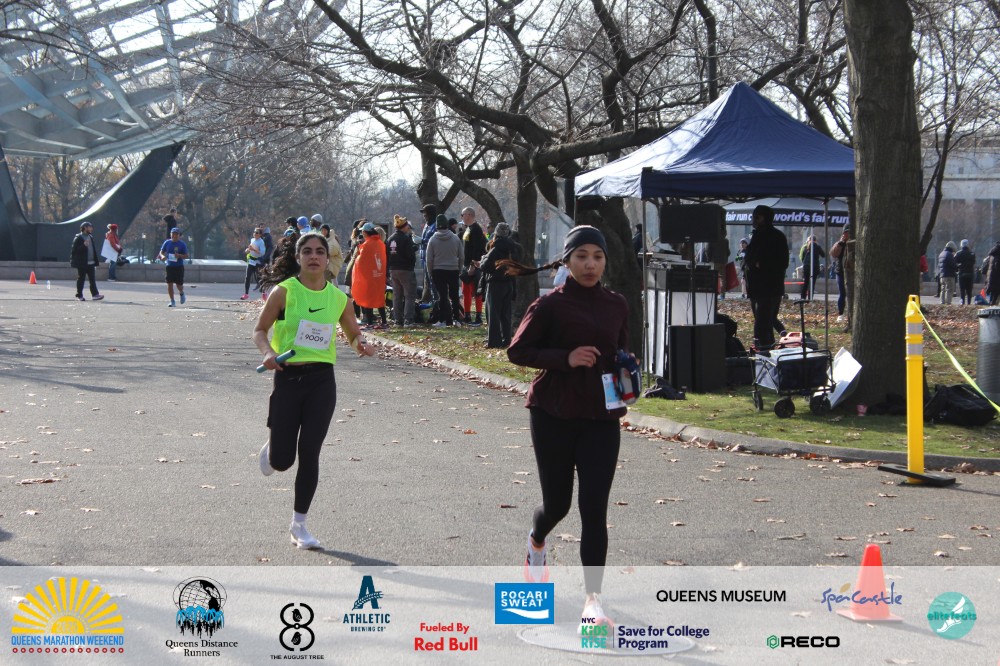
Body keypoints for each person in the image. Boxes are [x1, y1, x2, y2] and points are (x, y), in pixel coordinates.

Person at [506, 225, 631, 631]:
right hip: (553, 414)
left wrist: (626, 371)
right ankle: (536, 540)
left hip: (601, 419)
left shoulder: (617, 304)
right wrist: (566, 357)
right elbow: (517, 351)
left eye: (597, 256)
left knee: (594, 510)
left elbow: (620, 349)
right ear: (567, 260)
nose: (590, 264)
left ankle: (593, 603)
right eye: (582, 256)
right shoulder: (550, 305)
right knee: (557, 505)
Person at [253, 232, 375, 549]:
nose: (314, 257)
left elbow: (353, 332)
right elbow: (260, 330)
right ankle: (274, 445)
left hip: (322, 381)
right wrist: (268, 352)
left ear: (327, 258)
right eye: (307, 251)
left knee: (310, 451)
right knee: (282, 461)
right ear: (298, 257)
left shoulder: (338, 298)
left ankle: (299, 526)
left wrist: (361, 344)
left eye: (320, 251)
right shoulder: (284, 292)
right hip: (288, 378)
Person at [743, 205, 788, 349]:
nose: (754, 220)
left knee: (763, 323)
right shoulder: (757, 235)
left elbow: (782, 262)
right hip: (756, 288)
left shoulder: (776, 236)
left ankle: (764, 349)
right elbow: (749, 257)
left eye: (757, 217)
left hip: (769, 288)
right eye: (753, 217)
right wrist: (751, 263)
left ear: (764, 218)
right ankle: (766, 348)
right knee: (762, 322)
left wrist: (760, 264)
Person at [480, 222, 521, 347]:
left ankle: (494, 341)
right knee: (505, 314)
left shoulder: (495, 249)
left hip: (495, 284)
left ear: (496, 234)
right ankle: (506, 339)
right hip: (509, 283)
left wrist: (483, 259)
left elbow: (485, 267)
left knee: (493, 313)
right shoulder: (514, 249)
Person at [425, 214, 464, 327]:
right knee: (454, 295)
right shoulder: (455, 238)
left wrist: (430, 272)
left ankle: (443, 320)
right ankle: (457, 319)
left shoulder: (432, 240)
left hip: (438, 270)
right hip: (453, 269)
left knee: (442, 296)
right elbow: (461, 256)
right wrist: (459, 269)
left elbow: (429, 259)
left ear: (437, 226)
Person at [351, 222, 388, 328]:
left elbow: (360, 260)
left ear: (365, 232)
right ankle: (384, 322)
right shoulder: (380, 243)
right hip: (379, 276)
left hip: (369, 276)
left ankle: (370, 323)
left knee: (367, 299)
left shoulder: (366, 245)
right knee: (380, 298)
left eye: (363, 231)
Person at [387, 214, 418, 327]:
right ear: (404, 227)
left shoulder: (390, 239)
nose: (408, 228)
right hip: (406, 270)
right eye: (407, 226)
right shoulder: (406, 239)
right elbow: (410, 256)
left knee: (397, 296)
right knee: (409, 295)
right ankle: (408, 320)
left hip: (393, 270)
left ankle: (398, 320)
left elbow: (387, 255)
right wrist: (414, 249)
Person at [460, 207, 487, 325]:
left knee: (476, 291)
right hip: (466, 264)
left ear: (469, 215)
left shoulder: (476, 229)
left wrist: (472, 265)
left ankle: (478, 317)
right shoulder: (468, 228)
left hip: (474, 265)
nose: (462, 217)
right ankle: (467, 315)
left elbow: (476, 249)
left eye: (463, 214)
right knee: (465, 291)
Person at [70, 222, 105, 301]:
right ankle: (79, 295)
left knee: (92, 279)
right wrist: (83, 246)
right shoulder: (78, 238)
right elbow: (75, 251)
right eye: (90, 227)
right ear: (85, 228)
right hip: (82, 263)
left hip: (91, 262)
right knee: (81, 279)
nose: (91, 229)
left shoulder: (90, 237)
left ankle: (95, 294)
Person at [158, 227, 189, 307]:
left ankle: (181, 293)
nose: (174, 236)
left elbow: (186, 256)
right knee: (169, 284)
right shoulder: (167, 242)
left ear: (179, 235)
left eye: (176, 234)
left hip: (179, 266)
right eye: (173, 234)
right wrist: (162, 256)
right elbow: (161, 252)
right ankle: (172, 301)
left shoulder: (182, 244)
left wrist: (179, 255)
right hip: (169, 266)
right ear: (170, 234)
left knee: (179, 285)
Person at [418, 204, 438, 304]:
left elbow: (434, 241)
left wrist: (422, 241)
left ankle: (437, 302)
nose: (424, 216)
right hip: (424, 258)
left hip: (432, 259)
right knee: (429, 282)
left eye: (425, 214)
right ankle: (432, 302)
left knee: (433, 283)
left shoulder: (435, 226)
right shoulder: (427, 225)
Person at [798, 235, 826, 300]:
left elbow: (802, 257)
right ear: (815, 241)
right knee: (812, 283)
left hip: (806, 267)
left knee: (806, 283)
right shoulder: (817, 246)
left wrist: (805, 263)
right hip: (814, 267)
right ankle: (810, 298)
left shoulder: (805, 247)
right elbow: (823, 255)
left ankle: (803, 297)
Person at [241, 228, 266, 300]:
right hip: (251, 261)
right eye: (254, 232)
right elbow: (249, 248)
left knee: (258, 278)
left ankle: (264, 294)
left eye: (257, 232)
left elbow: (262, 253)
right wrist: (247, 250)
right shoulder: (252, 240)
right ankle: (246, 294)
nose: (255, 233)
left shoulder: (261, 242)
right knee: (247, 277)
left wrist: (254, 250)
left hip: (257, 262)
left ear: (260, 234)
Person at [955, 239, 976, 305]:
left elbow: (955, 262)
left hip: (962, 273)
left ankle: (962, 302)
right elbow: (973, 262)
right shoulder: (972, 253)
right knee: (969, 290)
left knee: (962, 289)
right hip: (970, 273)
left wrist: (958, 267)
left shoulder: (958, 253)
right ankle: (969, 302)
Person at [938, 241, 958, 305]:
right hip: (949, 275)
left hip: (942, 275)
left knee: (943, 289)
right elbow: (953, 265)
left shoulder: (941, 254)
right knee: (949, 289)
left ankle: (942, 302)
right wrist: (957, 267)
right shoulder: (949, 254)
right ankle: (948, 302)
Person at [984, 242, 1000, 306]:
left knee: (993, 295)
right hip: (997, 278)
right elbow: (997, 266)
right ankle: (992, 306)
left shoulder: (992, 254)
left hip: (991, 278)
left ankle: (991, 305)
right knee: (995, 296)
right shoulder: (998, 255)